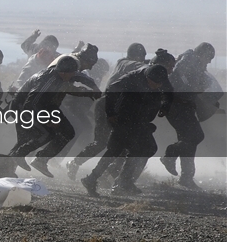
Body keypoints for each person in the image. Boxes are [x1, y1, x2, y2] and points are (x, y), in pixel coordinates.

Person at [80, 65, 172, 196]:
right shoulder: (132, 79)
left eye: (159, 83)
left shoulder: (161, 76)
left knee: (142, 149)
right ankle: (112, 181)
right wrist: (111, 113)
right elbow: (111, 90)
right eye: (154, 83)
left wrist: (165, 106)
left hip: (140, 121)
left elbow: (169, 92)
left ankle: (113, 181)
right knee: (118, 149)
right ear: (147, 78)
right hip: (124, 118)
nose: (157, 86)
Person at [7, 55, 100, 177]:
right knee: (39, 135)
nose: (74, 76)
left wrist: (92, 91)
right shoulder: (48, 81)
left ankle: (41, 160)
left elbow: (76, 80)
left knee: (68, 132)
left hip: (46, 106)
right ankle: (8, 166)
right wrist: (47, 121)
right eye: (72, 73)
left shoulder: (63, 75)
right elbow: (32, 104)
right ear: (63, 72)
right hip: (24, 108)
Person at [66, 43, 148, 179]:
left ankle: (108, 173)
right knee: (102, 142)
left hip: (115, 107)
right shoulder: (128, 63)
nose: (142, 60)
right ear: (137, 56)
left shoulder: (123, 64)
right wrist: (155, 68)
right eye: (142, 57)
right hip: (108, 105)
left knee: (122, 143)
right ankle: (75, 163)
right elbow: (141, 67)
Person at [160, 43, 218, 189]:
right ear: (202, 54)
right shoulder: (188, 61)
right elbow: (181, 83)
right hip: (176, 105)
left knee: (188, 140)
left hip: (183, 105)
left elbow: (197, 84)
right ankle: (170, 154)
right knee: (196, 136)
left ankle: (186, 177)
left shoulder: (193, 63)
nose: (210, 61)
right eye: (209, 57)